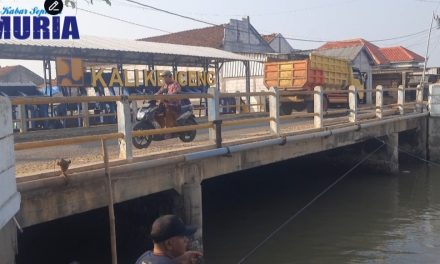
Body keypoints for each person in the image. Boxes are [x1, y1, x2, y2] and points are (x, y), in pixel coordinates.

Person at [135, 214, 203, 264]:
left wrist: (179, 260)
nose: (186, 240)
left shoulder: (144, 257)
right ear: (169, 244)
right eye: (182, 237)